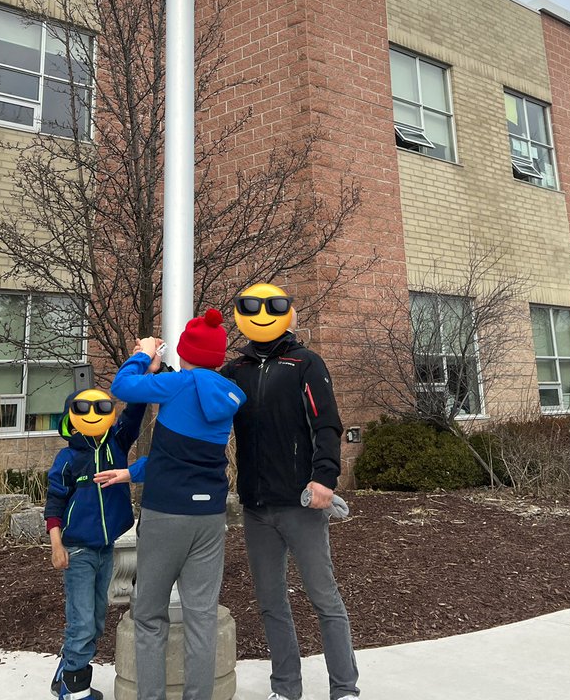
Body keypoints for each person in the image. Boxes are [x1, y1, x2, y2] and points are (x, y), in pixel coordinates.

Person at [220, 283, 359, 700]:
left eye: (275, 306)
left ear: (289, 314)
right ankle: (285, 688)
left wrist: (324, 480)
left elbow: (327, 424)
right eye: (252, 306)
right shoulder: (235, 371)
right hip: (256, 507)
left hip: (301, 502)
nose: (263, 313)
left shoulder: (305, 363)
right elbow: (199, 395)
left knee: (324, 597)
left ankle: (345, 688)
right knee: (270, 602)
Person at [110, 310, 246, 700]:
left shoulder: (176, 385)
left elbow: (123, 386)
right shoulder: (227, 393)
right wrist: (130, 473)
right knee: (201, 616)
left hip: (166, 513)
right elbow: (181, 455)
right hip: (208, 517)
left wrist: (143, 355)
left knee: (149, 615)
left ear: (185, 353)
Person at [44, 385, 151, 700]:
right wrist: (56, 544)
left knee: (96, 621)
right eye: (83, 410)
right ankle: (74, 693)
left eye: (101, 408)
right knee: (82, 623)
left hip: (105, 547)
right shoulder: (68, 458)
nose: (93, 416)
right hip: (77, 550)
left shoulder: (116, 444)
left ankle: (65, 674)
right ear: (70, 418)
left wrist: (147, 377)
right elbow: (54, 503)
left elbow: (134, 413)